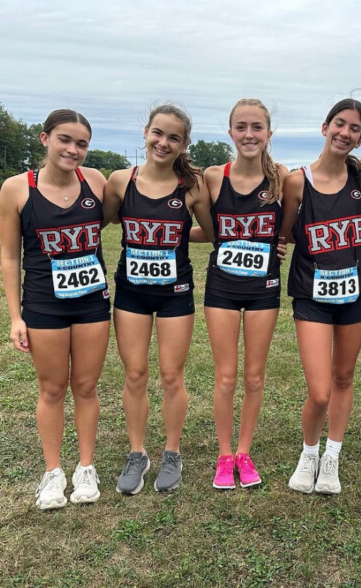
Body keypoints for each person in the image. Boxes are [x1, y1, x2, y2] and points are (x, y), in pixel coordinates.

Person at [0, 109, 109, 510]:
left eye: (81, 143)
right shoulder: (16, 189)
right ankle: (52, 472)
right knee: (51, 388)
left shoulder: (95, 182)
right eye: (65, 139)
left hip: (92, 303)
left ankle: (85, 467)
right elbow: (10, 256)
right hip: (44, 304)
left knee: (85, 386)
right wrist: (16, 316)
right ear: (45, 139)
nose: (73, 149)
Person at [103, 103, 213, 495]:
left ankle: (172, 452)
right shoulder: (119, 181)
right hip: (130, 292)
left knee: (171, 376)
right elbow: (101, 220)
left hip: (175, 295)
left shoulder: (193, 187)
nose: (164, 143)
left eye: (174, 138)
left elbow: (212, 233)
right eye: (158, 134)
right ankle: (137, 453)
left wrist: (177, 236)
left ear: (184, 144)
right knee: (134, 374)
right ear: (145, 132)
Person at [282, 98, 361, 494]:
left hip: (357, 294)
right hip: (311, 294)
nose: (345, 132)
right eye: (340, 124)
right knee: (319, 390)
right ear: (325, 128)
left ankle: (332, 455)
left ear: (359, 139)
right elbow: (285, 233)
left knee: (343, 376)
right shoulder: (296, 181)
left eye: (354, 128)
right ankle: (309, 452)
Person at [203, 99, 288, 489]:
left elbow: (292, 225)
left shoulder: (282, 178)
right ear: (230, 132)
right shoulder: (212, 177)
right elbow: (206, 230)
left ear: (269, 133)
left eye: (257, 127)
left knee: (254, 377)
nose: (249, 134)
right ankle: (224, 455)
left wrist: (282, 242)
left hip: (263, 289)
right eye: (241, 127)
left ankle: (244, 451)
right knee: (225, 377)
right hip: (221, 285)